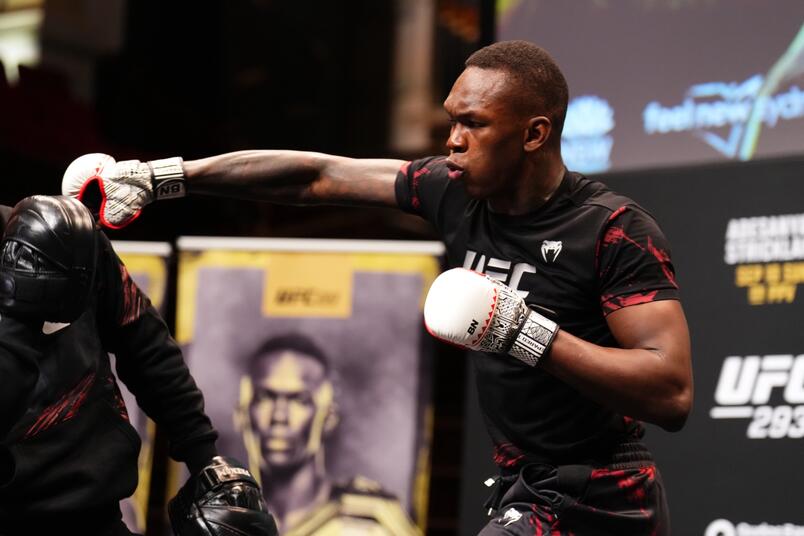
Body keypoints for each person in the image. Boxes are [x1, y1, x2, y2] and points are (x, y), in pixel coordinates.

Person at [62, 40, 693, 535]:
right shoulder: (453, 190)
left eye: (473, 124)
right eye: (451, 121)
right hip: (526, 485)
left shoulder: (613, 229)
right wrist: (166, 176)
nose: (452, 140)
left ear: (534, 133)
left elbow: (671, 391)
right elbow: (316, 176)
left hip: (604, 494)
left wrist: (527, 334)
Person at [0, 195, 277, 536]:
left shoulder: (58, 234)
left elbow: (143, 342)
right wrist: (19, 310)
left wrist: (205, 460)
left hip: (92, 513)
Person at [235, 333, 421, 535]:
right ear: (241, 414)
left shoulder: (370, 521)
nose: (279, 416)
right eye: (265, 397)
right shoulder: (220, 519)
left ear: (329, 417)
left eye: (299, 400)